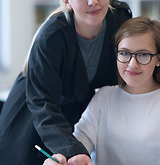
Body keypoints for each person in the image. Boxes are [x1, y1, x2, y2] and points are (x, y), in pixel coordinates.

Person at [0, 0, 132, 165]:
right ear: (66, 0)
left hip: (75, 107)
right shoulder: (52, 36)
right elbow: (42, 103)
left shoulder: (120, 19)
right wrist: (70, 148)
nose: (93, 1)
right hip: (35, 110)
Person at [44, 16, 160, 165]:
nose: (132, 64)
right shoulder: (104, 97)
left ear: (158, 59)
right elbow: (79, 143)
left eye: (143, 55)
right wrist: (63, 158)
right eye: (124, 53)